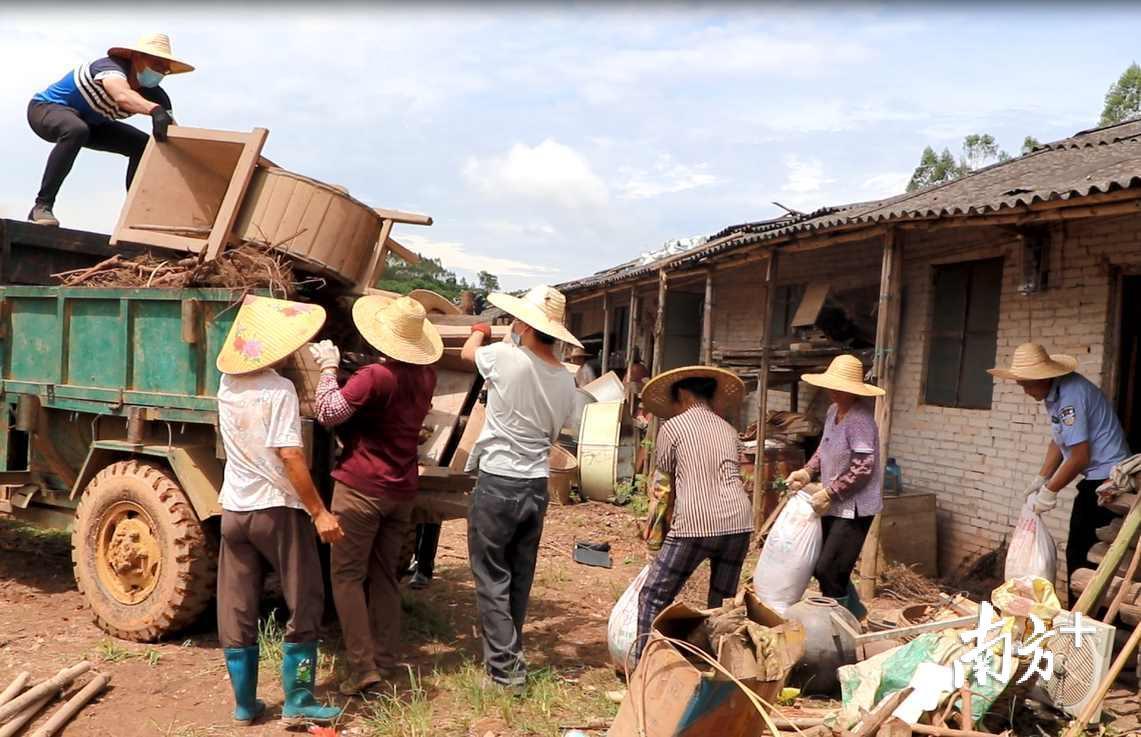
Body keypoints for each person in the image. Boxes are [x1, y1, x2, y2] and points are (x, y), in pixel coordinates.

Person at [214, 295, 344, 726]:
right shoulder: (279, 390)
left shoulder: (227, 386)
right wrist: (320, 512)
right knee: (305, 598)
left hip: (234, 509)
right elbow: (289, 455)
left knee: (237, 604)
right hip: (277, 510)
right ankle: (299, 697)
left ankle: (245, 704)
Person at [309, 295, 441, 695]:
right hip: (400, 489)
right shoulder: (426, 376)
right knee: (385, 577)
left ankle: (362, 667)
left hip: (361, 489)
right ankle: (386, 659)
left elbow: (328, 413)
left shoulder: (376, 377)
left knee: (347, 577)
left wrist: (329, 368)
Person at [459, 285, 579, 691]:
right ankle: (508, 654)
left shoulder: (505, 357)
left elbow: (465, 354)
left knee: (491, 575)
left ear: (525, 324)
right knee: (518, 575)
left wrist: (479, 329)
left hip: (498, 480)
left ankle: (506, 673)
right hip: (535, 484)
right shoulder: (567, 381)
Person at [988, 343, 1130, 597]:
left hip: (1109, 481)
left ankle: (1085, 618)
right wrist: (1042, 477)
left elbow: (1079, 456)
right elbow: (1060, 439)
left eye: (1027, 384)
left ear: (1043, 377)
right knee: (1080, 549)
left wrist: (1049, 491)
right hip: (1096, 476)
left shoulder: (1070, 398)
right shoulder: (1055, 393)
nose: (1025, 390)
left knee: (1084, 552)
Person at [634, 366, 752, 663]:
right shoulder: (727, 428)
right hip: (739, 522)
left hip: (697, 523)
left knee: (653, 596)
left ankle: (642, 669)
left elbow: (662, 491)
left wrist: (654, 542)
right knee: (722, 604)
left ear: (683, 394)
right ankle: (720, 668)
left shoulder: (672, 428)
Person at [27, 33, 190, 226]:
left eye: (165, 69)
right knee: (76, 129)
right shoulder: (111, 68)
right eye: (157, 64)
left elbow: (174, 133)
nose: (160, 72)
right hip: (47, 110)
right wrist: (154, 110)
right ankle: (42, 206)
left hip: (93, 124)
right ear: (137, 58)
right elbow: (121, 94)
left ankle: (134, 218)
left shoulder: (157, 96)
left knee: (143, 146)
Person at [786, 354, 884, 620]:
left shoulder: (860, 419)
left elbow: (864, 466)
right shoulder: (832, 412)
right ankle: (855, 613)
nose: (833, 392)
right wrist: (807, 471)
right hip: (834, 501)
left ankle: (841, 625)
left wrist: (831, 492)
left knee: (831, 569)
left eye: (839, 388)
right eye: (831, 386)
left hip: (855, 507)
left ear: (853, 391)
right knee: (823, 568)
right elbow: (824, 447)